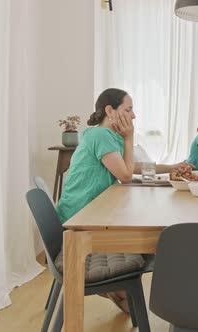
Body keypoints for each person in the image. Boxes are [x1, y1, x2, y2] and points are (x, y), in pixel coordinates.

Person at [55, 88, 139, 314]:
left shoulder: (106, 136)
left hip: (86, 214)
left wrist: (170, 168)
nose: (133, 116)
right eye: (128, 110)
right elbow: (125, 175)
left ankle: (118, 289)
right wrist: (130, 138)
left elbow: (128, 166)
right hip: (80, 221)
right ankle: (119, 287)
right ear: (109, 110)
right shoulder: (101, 136)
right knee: (144, 238)